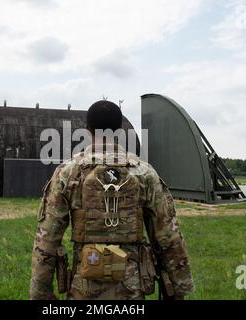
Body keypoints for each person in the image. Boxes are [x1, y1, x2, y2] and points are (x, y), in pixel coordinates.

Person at [29, 100, 194, 300]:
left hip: (83, 289)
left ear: (87, 129)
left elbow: (46, 240)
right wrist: (179, 289)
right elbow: (168, 235)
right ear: (119, 130)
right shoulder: (144, 173)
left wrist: (40, 293)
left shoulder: (68, 173)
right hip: (131, 290)